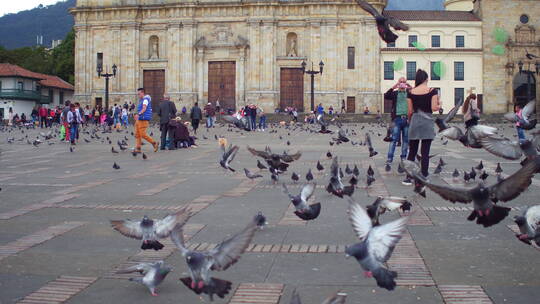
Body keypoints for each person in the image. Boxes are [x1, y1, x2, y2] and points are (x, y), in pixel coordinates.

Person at [403, 69, 441, 185]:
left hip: (415, 120)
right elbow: (434, 108)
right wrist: (440, 104)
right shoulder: (432, 91)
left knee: (412, 152)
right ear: (426, 79)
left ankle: (408, 177)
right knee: (425, 152)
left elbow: (409, 111)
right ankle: (424, 176)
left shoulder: (410, 91)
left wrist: (410, 121)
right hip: (427, 121)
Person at [384, 77, 412, 172]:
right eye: (401, 82)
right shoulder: (395, 93)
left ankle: (403, 157)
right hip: (397, 119)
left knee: (405, 141)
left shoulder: (409, 93)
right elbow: (386, 96)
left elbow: (417, 95)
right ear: (398, 83)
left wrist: (410, 87)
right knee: (394, 140)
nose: (403, 83)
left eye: (404, 82)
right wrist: (394, 86)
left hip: (407, 120)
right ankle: (389, 158)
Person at [134, 88, 158, 153]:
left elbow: (144, 108)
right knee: (138, 134)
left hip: (143, 119)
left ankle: (154, 143)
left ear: (142, 93)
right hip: (139, 119)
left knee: (142, 134)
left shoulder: (145, 100)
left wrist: (138, 114)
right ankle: (138, 148)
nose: (138, 95)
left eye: (139, 94)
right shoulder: (141, 100)